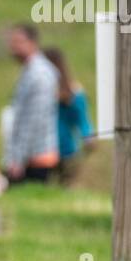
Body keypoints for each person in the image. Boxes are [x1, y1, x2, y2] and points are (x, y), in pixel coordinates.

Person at [4, 24, 60, 184]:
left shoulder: (39, 74)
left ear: (33, 43)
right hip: (29, 155)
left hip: (36, 155)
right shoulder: (30, 71)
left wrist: (18, 158)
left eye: (19, 42)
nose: (13, 47)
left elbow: (33, 119)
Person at [44, 47, 94, 181]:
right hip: (48, 152)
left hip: (63, 151)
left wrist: (88, 137)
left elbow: (82, 119)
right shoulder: (42, 92)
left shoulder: (74, 92)